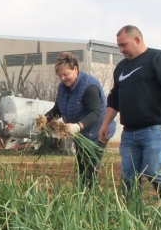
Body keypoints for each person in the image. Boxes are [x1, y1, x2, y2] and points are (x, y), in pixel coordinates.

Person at [98, 25, 161, 198]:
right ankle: (131, 214)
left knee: (153, 171)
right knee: (129, 177)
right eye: (119, 46)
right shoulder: (121, 68)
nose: (121, 50)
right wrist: (105, 123)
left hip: (154, 129)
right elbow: (115, 98)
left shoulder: (158, 58)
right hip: (129, 133)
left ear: (137, 39)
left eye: (124, 45)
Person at [45, 52, 115, 189]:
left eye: (66, 74)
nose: (63, 78)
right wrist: (45, 119)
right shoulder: (63, 88)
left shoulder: (89, 86)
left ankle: (90, 199)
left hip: (97, 133)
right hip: (81, 135)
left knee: (90, 169)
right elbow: (58, 109)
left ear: (75, 69)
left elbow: (95, 113)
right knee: (81, 167)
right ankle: (83, 197)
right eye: (60, 75)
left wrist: (78, 126)